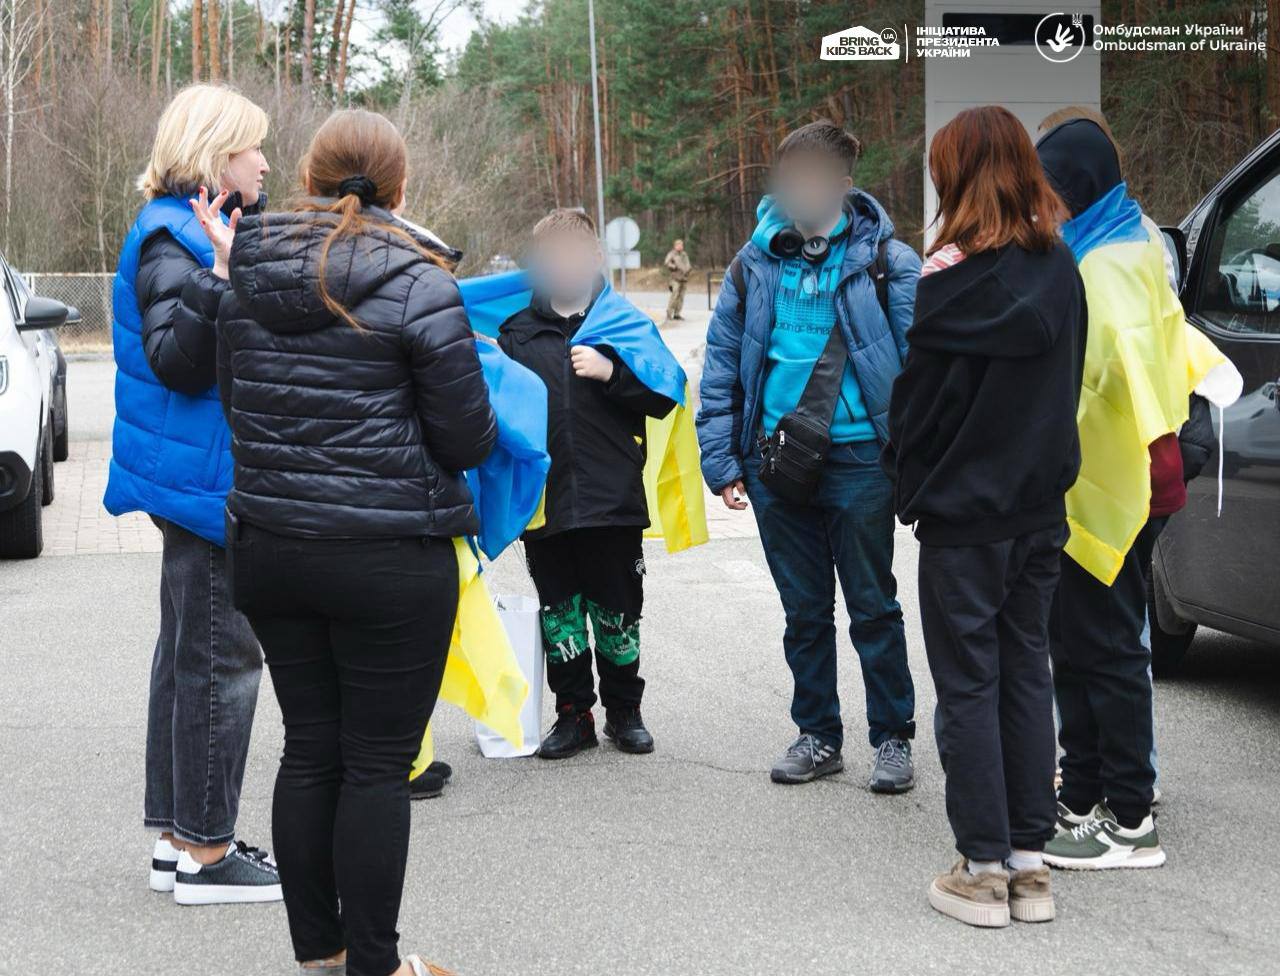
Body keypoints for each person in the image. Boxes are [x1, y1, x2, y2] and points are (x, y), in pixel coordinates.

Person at [207, 108, 496, 976]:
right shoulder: (420, 284)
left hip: (271, 546)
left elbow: (236, 409)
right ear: (398, 187)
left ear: (309, 176)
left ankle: (322, 958)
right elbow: (467, 440)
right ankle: (375, 966)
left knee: (310, 748)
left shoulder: (241, 276)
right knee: (374, 765)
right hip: (386, 556)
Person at [883, 106, 1085, 927]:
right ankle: (1031, 871)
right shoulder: (1062, 268)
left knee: (969, 687)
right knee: (1027, 675)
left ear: (954, 177)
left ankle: (982, 870)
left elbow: (918, 408)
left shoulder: (946, 278)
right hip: (1040, 513)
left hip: (967, 520)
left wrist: (908, 481)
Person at [697, 120, 921, 790]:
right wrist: (722, 460)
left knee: (872, 606)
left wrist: (917, 461)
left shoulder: (889, 261)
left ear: (845, 186)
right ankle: (818, 733)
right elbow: (721, 367)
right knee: (803, 612)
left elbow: (920, 369)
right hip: (776, 463)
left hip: (859, 462)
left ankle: (893, 738)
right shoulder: (753, 263)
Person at [1035, 115, 1229, 870]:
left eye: (1049, 191)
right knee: (1080, 643)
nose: (1042, 205)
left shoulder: (1102, 265)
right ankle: (1083, 799)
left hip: (1113, 483)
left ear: (1074, 187)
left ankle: (1130, 818)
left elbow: (1113, 382)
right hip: (1116, 480)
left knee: (1106, 649)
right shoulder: (1125, 242)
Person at [103, 83, 281, 906]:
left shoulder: (177, 232)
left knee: (189, 658)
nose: (266, 162)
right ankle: (206, 854)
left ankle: (181, 841)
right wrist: (222, 271)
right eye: (253, 149)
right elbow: (178, 357)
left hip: (196, 474)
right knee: (220, 661)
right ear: (215, 157)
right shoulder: (177, 240)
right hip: (207, 481)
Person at [498, 208, 677, 759]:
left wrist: (613, 373)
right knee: (561, 615)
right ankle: (573, 713)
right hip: (546, 501)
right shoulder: (516, 334)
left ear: (596, 257)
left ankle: (625, 711)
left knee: (618, 611)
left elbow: (665, 392)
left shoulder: (624, 324)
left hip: (612, 498)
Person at [664, 238, 692, 320]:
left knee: (681, 297)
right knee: (674, 295)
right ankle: (669, 313)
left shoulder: (684, 254)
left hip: (684, 278)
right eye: (679, 245)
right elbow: (666, 262)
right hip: (675, 278)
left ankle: (677, 313)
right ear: (675, 246)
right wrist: (673, 266)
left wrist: (688, 269)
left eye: (682, 245)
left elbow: (688, 264)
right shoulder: (672, 254)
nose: (681, 246)